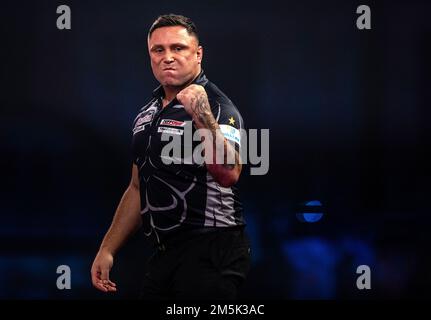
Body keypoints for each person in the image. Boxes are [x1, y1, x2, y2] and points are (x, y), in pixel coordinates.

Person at [91, 13, 251, 300]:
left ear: (198, 54)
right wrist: (107, 248)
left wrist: (200, 114)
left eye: (178, 48)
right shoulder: (146, 113)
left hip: (212, 249)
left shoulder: (218, 107)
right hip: (163, 253)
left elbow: (229, 174)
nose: (168, 57)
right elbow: (138, 187)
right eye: (158, 50)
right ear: (149, 55)